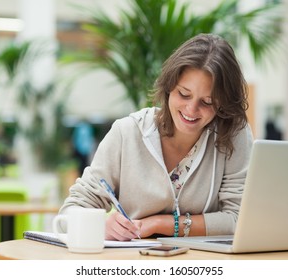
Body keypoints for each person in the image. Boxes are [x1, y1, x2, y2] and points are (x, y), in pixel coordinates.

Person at [59, 33, 254, 241]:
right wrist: (100, 226)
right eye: (184, 94)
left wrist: (160, 224)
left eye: (207, 102)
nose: (191, 109)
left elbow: (238, 219)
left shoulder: (232, 135)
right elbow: (68, 214)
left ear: (223, 104)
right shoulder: (127, 133)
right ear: (170, 87)